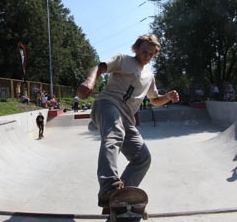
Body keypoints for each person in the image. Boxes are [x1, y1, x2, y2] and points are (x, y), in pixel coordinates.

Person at [77, 33, 180, 211]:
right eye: (143, 51)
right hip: (107, 104)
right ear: (136, 48)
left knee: (143, 157)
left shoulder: (149, 76)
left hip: (126, 117)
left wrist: (168, 97)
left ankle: (119, 199)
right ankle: (108, 187)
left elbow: (155, 100)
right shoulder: (123, 60)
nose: (146, 56)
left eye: (150, 54)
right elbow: (99, 67)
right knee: (114, 134)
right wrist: (90, 80)